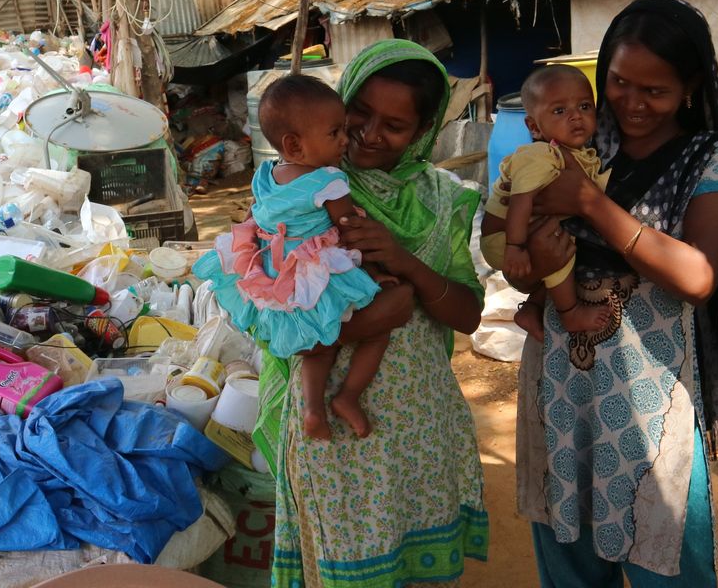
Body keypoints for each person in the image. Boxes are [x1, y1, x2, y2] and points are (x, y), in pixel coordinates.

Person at [508, 0, 718, 586]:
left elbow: (698, 277)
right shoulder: (570, 142)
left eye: (653, 91)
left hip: (651, 394)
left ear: (690, 88)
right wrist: (530, 265)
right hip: (560, 380)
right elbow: (513, 252)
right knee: (567, 552)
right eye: (619, 83)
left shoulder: (713, 160)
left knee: (664, 556)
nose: (631, 103)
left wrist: (589, 205)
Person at [254, 39, 490, 588]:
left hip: (417, 418)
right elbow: (263, 310)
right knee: (347, 563)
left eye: (395, 124)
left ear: (424, 132)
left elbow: (469, 315)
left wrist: (402, 260)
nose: (367, 133)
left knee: (416, 563)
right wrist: (368, 322)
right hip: (329, 426)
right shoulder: (298, 187)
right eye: (358, 113)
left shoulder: (442, 200)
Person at [193, 74, 410, 439]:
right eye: (334, 133)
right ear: (294, 145)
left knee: (314, 350)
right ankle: (348, 397)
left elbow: (255, 216)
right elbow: (349, 231)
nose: (345, 140)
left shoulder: (265, 175)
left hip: (276, 274)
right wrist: (373, 272)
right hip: (317, 274)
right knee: (379, 331)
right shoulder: (330, 181)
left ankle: (312, 410)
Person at [480, 64, 611, 341]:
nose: (576, 117)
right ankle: (570, 312)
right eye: (560, 111)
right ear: (533, 126)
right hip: (504, 238)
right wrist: (514, 247)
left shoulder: (575, 152)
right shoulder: (540, 155)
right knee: (560, 245)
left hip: (520, 233)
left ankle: (532, 307)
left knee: (563, 243)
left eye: (585, 106)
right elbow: (521, 201)